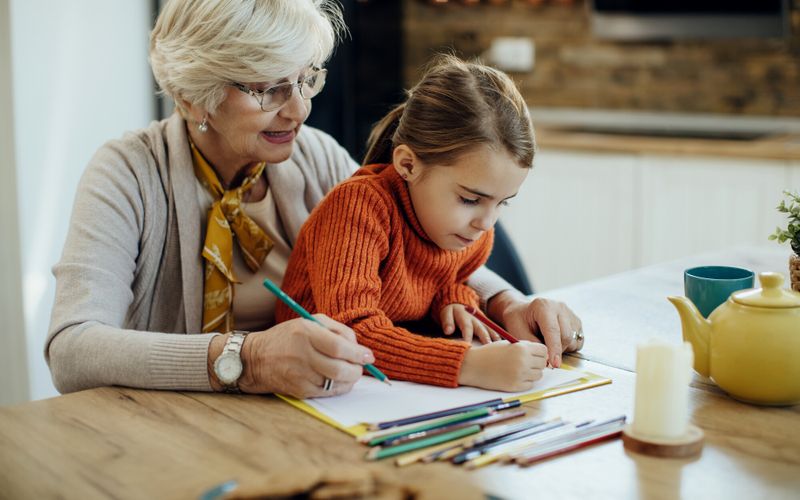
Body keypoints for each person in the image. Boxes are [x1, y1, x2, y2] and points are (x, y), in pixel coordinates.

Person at [46, 0, 581, 400]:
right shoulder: (126, 173)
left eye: (305, 80)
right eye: (268, 89)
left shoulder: (316, 156)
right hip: (169, 424)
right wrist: (247, 359)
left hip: (298, 416)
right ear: (192, 94)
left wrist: (508, 303)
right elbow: (73, 349)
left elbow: (418, 239)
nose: (298, 110)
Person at [276, 55, 583, 392]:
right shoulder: (358, 208)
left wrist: (452, 300)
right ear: (408, 164)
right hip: (312, 388)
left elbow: (436, 280)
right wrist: (467, 364)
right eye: (470, 199)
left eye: (502, 203)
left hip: (388, 384)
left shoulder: (466, 230)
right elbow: (354, 331)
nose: (486, 222)